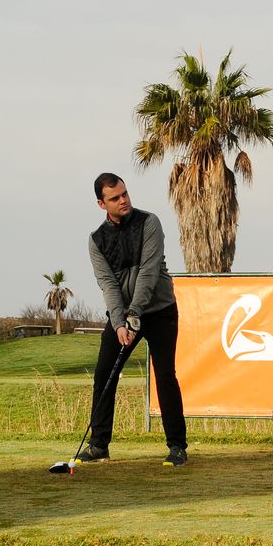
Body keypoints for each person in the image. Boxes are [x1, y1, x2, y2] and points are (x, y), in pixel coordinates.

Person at [80, 172, 188, 467]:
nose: (123, 200)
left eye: (125, 194)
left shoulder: (149, 222)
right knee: (105, 374)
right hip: (125, 315)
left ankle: (177, 446)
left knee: (165, 376)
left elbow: (148, 274)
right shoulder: (96, 240)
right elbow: (108, 285)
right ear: (102, 204)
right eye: (115, 198)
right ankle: (99, 444)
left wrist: (134, 314)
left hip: (160, 310)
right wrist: (119, 323)